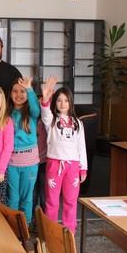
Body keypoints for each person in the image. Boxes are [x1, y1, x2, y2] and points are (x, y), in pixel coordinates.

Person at [40, 76, 87, 233]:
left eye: (66, 100)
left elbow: (82, 147)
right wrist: (46, 97)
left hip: (73, 166)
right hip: (54, 165)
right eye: (59, 100)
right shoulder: (51, 121)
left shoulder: (78, 123)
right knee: (52, 200)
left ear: (71, 103)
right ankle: (50, 230)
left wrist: (83, 168)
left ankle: (70, 230)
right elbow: (45, 112)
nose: (62, 103)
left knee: (71, 200)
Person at [7, 77, 40, 224]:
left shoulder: (31, 113)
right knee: (12, 197)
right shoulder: (6, 112)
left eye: (22, 91)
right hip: (11, 162)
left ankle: (25, 228)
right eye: (15, 91)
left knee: (27, 197)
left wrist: (29, 89)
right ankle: (13, 228)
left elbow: (36, 108)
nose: (18, 94)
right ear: (9, 93)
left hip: (30, 162)